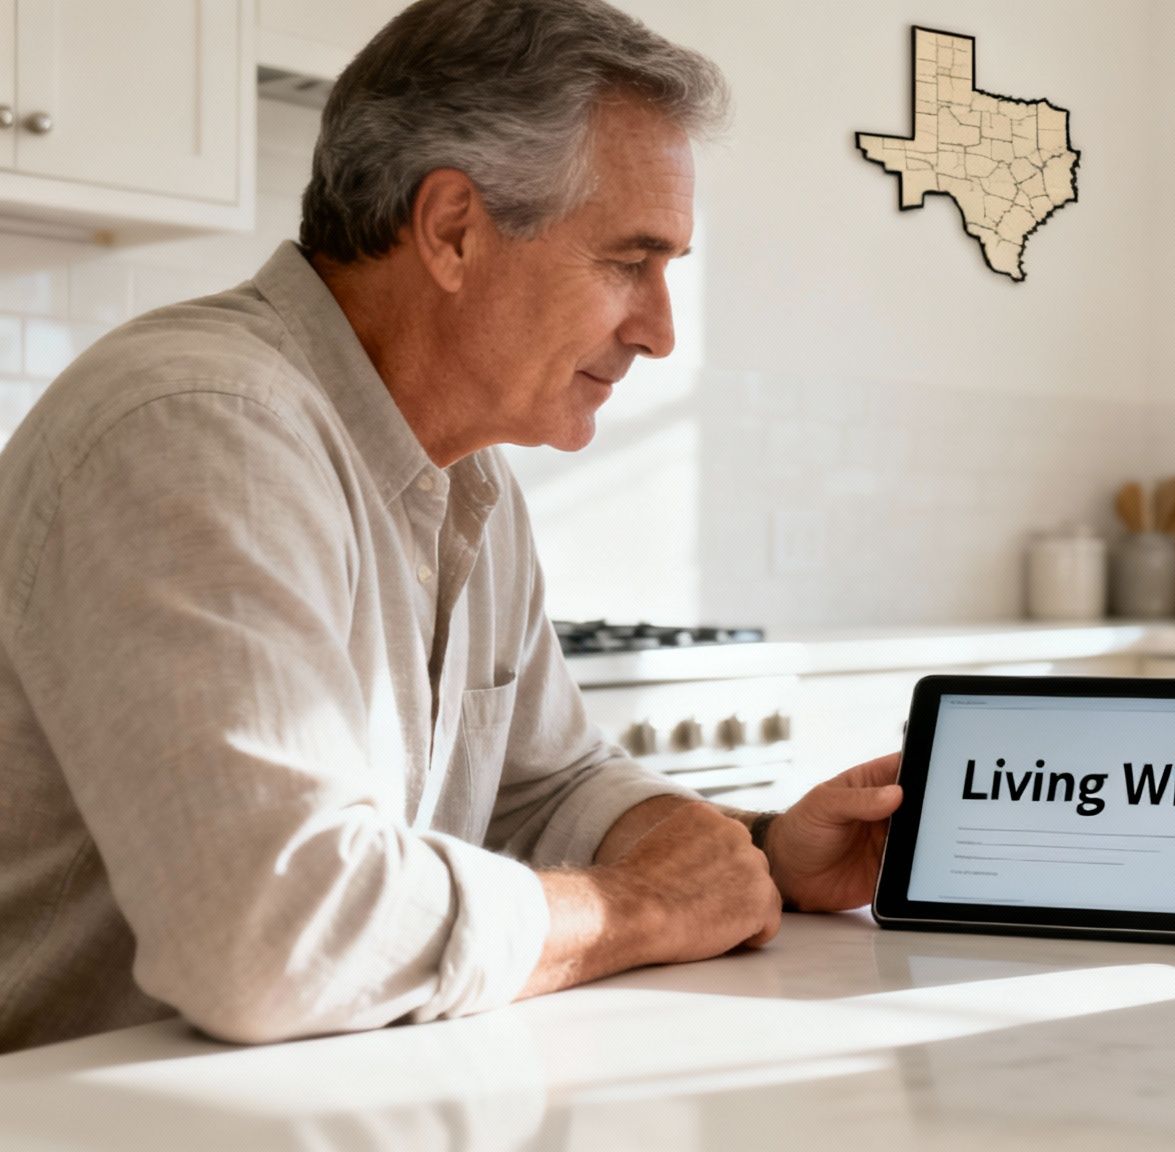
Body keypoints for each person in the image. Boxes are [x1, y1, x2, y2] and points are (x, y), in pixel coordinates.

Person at [0, 0, 900, 1054]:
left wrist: (759, 856)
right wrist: (640, 908)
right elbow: (273, 936)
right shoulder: (201, 428)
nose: (660, 331)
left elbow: (547, 786)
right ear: (452, 230)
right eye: (629, 261)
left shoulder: (466, 471)